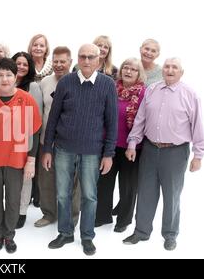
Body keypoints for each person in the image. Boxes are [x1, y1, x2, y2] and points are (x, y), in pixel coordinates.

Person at [42, 44, 118, 256]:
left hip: (92, 151)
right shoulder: (66, 82)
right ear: (78, 58)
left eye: (90, 57)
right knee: (63, 194)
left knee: (90, 196)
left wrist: (109, 154)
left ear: (98, 60)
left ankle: (87, 236)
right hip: (64, 149)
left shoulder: (107, 85)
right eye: (82, 56)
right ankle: (65, 233)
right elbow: (53, 118)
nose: (86, 61)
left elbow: (112, 123)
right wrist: (47, 148)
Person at [123, 58, 204, 251]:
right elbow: (140, 119)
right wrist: (132, 143)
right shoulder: (152, 90)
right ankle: (141, 231)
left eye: (174, 67)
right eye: (167, 66)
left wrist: (198, 155)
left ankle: (170, 234)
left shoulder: (190, 94)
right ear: (163, 70)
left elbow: (198, 126)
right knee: (145, 192)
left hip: (175, 152)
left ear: (181, 72)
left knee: (172, 195)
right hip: (150, 149)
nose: (169, 69)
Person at [0, 58, 42, 253]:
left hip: (16, 159)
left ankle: (9, 234)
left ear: (16, 77)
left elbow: (34, 133)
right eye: (0, 75)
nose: (4, 79)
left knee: (13, 199)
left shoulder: (26, 99)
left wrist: (31, 160)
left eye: (9, 75)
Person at [95, 58, 147, 232]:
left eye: (133, 69)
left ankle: (124, 220)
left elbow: (144, 121)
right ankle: (102, 216)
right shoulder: (111, 87)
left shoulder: (143, 93)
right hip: (108, 145)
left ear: (139, 74)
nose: (128, 71)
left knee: (128, 186)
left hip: (132, 148)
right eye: (126, 67)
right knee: (104, 183)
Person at [36, 46, 81, 228]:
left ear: (70, 62)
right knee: (46, 180)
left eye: (63, 61)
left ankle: (71, 216)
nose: (59, 65)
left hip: (70, 143)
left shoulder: (79, 82)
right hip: (46, 141)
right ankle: (49, 213)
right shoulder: (44, 82)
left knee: (72, 181)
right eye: (55, 61)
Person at [11, 51, 43, 228]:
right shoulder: (5, 81)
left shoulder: (33, 87)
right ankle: (10, 207)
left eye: (25, 64)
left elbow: (35, 118)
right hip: (5, 139)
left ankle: (22, 211)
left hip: (25, 139)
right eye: (18, 63)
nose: (21, 67)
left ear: (29, 67)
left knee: (25, 177)